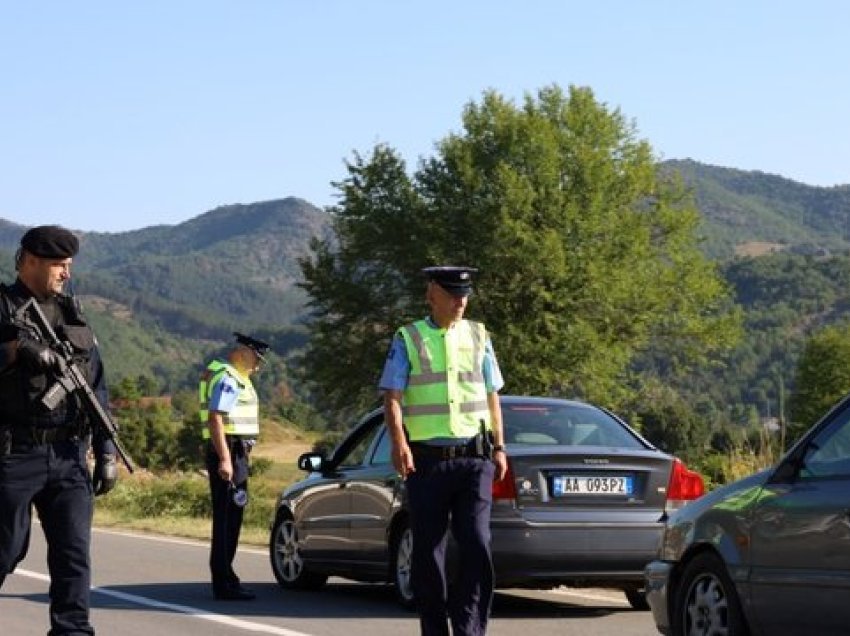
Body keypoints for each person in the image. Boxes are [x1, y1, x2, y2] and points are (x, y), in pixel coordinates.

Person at [0, 225, 118, 635]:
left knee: (73, 558)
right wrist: (15, 351)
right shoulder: (2, 306)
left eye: (68, 266)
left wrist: (106, 451)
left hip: (69, 455)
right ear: (29, 261)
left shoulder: (73, 314)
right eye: (58, 265)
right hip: (14, 453)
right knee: (6, 551)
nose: (66, 273)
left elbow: (96, 386)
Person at [379, 266, 508, 636]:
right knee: (428, 554)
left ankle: (469, 629)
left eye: (465, 296)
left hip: (474, 459)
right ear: (431, 293)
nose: (461, 302)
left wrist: (500, 447)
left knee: (477, 542)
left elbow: (491, 396)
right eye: (453, 295)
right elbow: (392, 397)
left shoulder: (480, 335)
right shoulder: (408, 337)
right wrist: (399, 443)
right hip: (427, 463)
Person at [199, 331, 269, 600]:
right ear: (241, 353)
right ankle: (224, 581)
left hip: (235, 450)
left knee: (232, 515)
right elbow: (216, 418)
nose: (258, 365)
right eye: (256, 358)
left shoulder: (238, 377)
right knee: (228, 517)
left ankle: (226, 577)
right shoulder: (229, 378)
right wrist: (226, 458)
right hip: (230, 449)